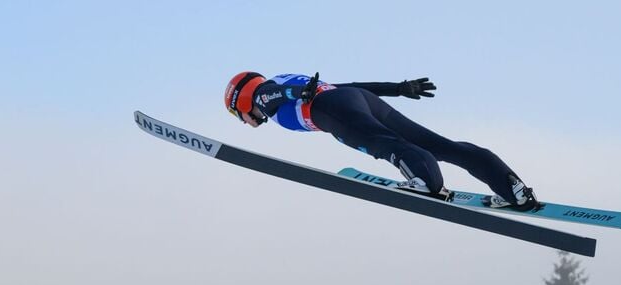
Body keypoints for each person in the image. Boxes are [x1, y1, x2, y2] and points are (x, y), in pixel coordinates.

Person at [223, 71, 538, 211]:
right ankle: (514, 190)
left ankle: (427, 182)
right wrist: (398, 88)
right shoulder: (283, 79)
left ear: (243, 101)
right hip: (356, 99)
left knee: (386, 145)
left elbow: (274, 95)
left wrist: (297, 94)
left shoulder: (265, 95)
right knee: (440, 145)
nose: (248, 121)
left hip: (329, 110)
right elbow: (351, 85)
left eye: (240, 115)